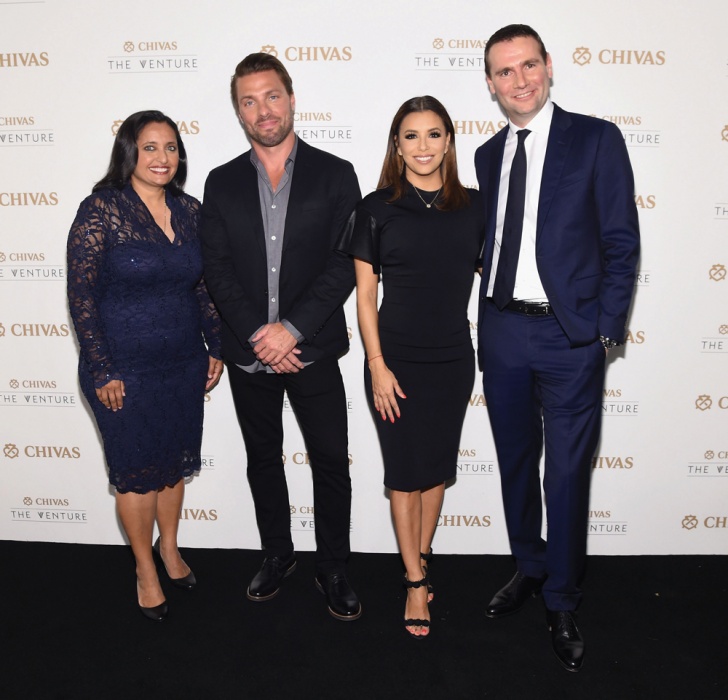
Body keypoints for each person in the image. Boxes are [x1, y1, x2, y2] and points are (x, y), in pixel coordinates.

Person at [474, 25, 640, 670]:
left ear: (548, 67)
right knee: (515, 462)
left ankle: (564, 598)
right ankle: (529, 566)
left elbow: (622, 243)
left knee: (566, 473)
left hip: (570, 336)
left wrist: (604, 330)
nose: (520, 80)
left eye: (528, 65)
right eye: (504, 72)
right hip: (502, 329)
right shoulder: (488, 156)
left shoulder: (596, 138)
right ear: (490, 84)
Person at [199, 53, 362, 621]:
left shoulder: (336, 173)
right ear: (239, 111)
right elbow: (215, 269)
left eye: (271, 96)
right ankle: (277, 554)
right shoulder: (220, 183)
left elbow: (345, 264)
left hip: (312, 349)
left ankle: (334, 566)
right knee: (263, 459)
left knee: (330, 463)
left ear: (291, 99)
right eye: (249, 100)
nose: (262, 110)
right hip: (248, 358)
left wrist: (289, 331)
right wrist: (256, 335)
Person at [67, 110, 223, 622]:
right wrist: (102, 367)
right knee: (136, 475)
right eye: (150, 147)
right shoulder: (101, 210)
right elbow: (82, 295)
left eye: (171, 147)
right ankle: (145, 568)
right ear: (129, 153)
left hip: (182, 361)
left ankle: (171, 549)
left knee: (174, 462)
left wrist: (215, 346)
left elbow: (202, 287)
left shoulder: (191, 210)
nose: (162, 157)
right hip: (122, 369)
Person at [338, 96, 484, 638]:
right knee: (404, 471)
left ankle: (420, 557)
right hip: (394, 357)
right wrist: (376, 364)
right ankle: (414, 582)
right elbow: (365, 294)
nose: (423, 146)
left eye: (433, 134)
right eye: (411, 136)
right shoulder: (375, 209)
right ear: (396, 146)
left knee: (435, 470)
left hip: (452, 358)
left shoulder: (475, 205)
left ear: (449, 140)